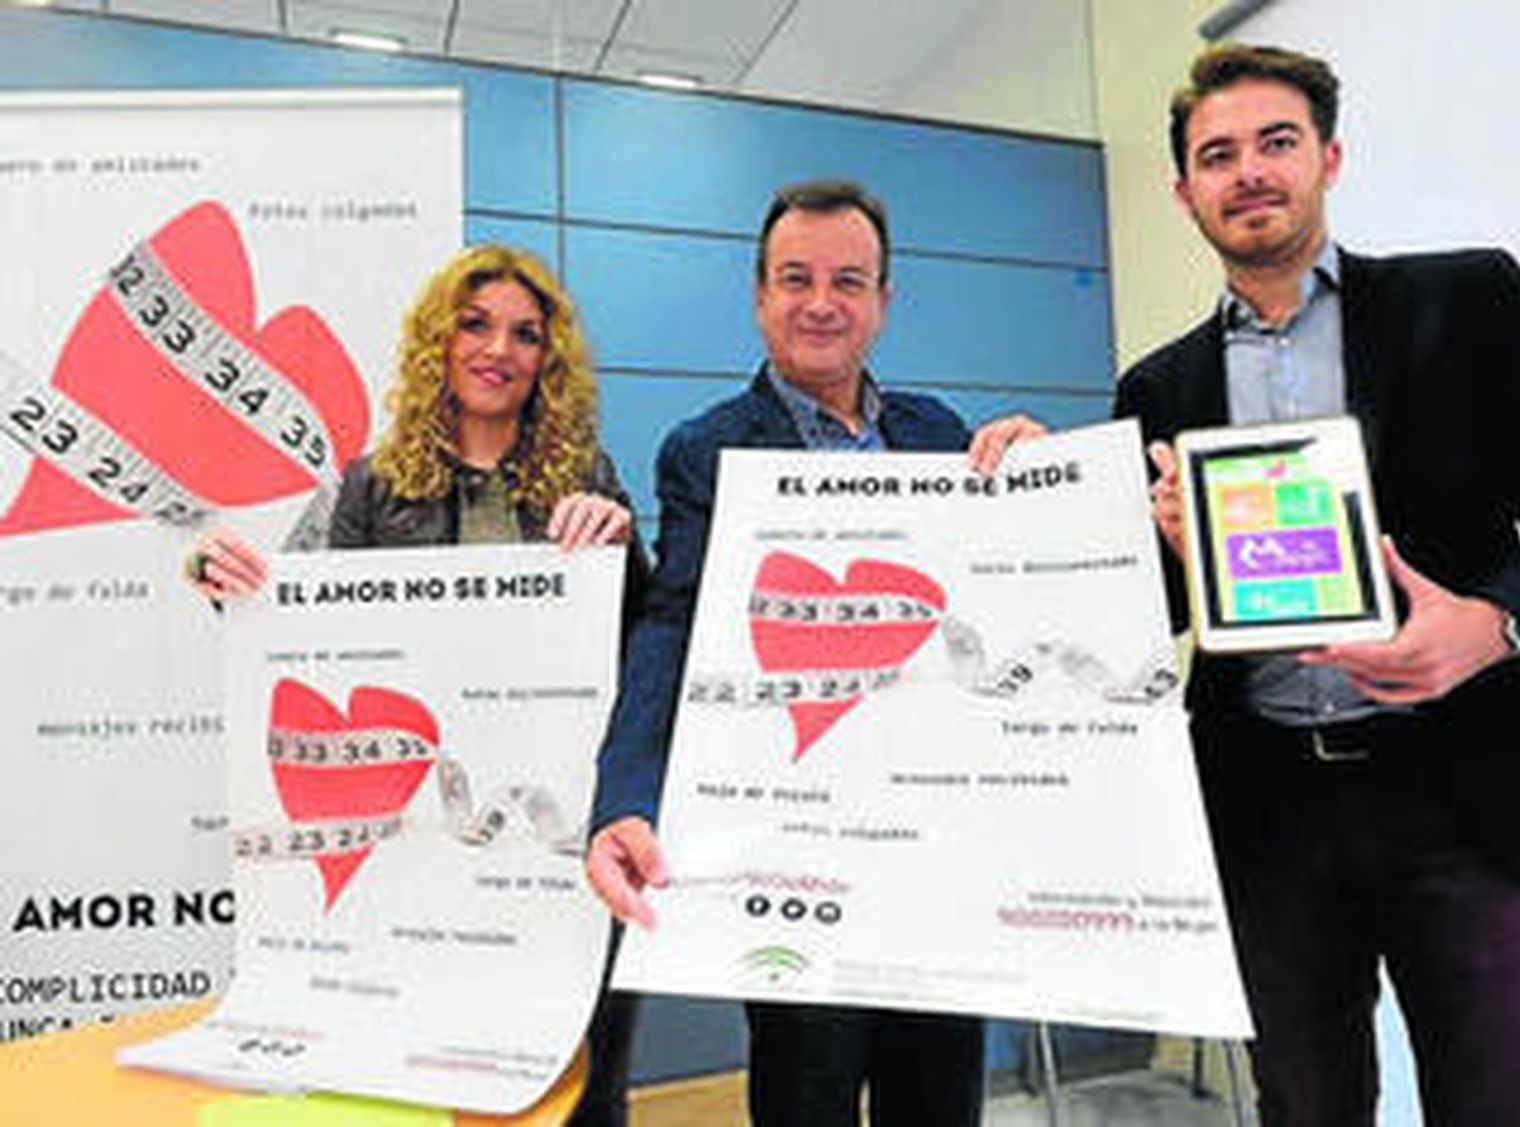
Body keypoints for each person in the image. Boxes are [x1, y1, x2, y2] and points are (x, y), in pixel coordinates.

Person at [1115, 43, 1520, 1126]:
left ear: (1328, 157)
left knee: (1510, 1104)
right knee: (1302, 1106)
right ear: (1182, 188)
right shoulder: (1159, 387)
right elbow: (1134, 607)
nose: (1248, 171)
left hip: (1476, 792)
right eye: (1217, 153)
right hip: (1270, 815)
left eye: (1275, 142)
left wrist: (1492, 623)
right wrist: (1040, 481)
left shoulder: (1470, 299)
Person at [583, 179, 1039, 1127]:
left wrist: (1039, 476)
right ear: (759, 296)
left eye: (849, 280)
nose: (821, 302)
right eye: (796, 278)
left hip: (930, 843)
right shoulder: (706, 449)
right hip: (793, 843)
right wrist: (624, 794)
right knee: (806, 1097)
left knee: (940, 1097)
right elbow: (674, 623)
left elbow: (993, 604)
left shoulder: (939, 435)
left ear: (882, 300)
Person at [187, 243, 643, 1127]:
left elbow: (639, 638)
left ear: (549, 360)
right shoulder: (370, 484)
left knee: (584, 1079)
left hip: (558, 826)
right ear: (439, 339)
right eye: (474, 325)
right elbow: (294, 626)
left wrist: (623, 546)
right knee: (432, 1072)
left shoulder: (587, 478)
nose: (498, 349)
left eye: (524, 334)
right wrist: (222, 581)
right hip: (421, 844)